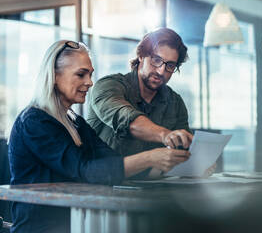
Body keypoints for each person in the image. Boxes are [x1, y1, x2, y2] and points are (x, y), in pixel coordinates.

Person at [7, 40, 190, 233]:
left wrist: (166, 164)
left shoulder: (75, 121)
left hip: (76, 225)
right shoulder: (34, 122)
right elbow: (86, 171)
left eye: (90, 74)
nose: (89, 82)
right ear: (53, 75)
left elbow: (111, 160)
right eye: (81, 74)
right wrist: (150, 158)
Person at [87, 28, 195, 178]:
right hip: (103, 186)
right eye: (156, 60)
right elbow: (127, 119)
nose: (161, 71)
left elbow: (183, 149)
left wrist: (197, 163)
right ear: (141, 56)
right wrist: (165, 135)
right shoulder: (108, 86)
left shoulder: (175, 102)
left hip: (151, 189)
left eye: (170, 65)